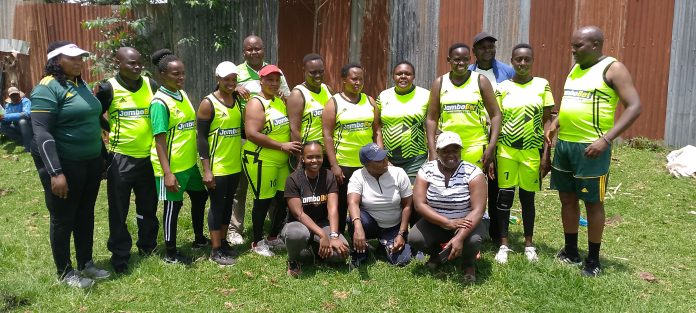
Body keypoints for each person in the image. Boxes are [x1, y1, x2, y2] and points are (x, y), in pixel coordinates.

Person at [546, 26, 641, 277]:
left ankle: (593, 260)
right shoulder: (576, 68)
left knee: (592, 203)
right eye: (573, 45)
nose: (573, 50)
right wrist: (556, 123)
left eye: (578, 46)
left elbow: (634, 107)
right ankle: (570, 250)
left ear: (596, 45)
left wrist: (606, 139)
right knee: (567, 198)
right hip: (565, 145)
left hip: (591, 148)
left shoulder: (613, 68)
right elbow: (570, 100)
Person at [30, 41, 110, 288]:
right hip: (64, 164)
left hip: (90, 162)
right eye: (72, 58)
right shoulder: (47, 88)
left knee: (85, 213)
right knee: (64, 218)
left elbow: (91, 116)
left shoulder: (80, 83)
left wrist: (103, 155)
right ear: (56, 60)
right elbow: (41, 132)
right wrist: (55, 172)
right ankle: (65, 271)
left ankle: (86, 262)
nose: (79, 62)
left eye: (81, 58)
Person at [95, 47, 159, 274]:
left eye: (139, 63)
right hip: (120, 158)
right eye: (131, 63)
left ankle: (148, 246)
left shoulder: (151, 85)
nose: (137, 67)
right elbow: (95, 114)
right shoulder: (108, 88)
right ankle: (120, 254)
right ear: (118, 63)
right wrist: (109, 127)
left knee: (148, 207)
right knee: (119, 210)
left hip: (148, 158)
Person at [226, 35, 292, 246]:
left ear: (264, 50)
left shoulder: (276, 72)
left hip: (273, 134)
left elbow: (287, 97)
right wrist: (233, 88)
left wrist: (282, 96)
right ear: (243, 52)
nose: (254, 52)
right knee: (240, 187)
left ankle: (274, 227)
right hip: (244, 136)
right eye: (249, 49)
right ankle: (235, 228)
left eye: (257, 48)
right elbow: (222, 90)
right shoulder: (236, 72)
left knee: (273, 188)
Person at [492, 44, 554, 264]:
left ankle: (529, 244)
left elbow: (547, 121)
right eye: (518, 59)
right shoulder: (502, 87)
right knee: (504, 198)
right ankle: (504, 244)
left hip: (531, 151)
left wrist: (546, 154)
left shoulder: (542, 85)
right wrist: (490, 153)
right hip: (506, 151)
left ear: (533, 60)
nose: (522, 63)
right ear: (511, 61)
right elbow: (495, 121)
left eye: (527, 59)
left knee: (528, 199)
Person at [149, 49, 209, 265]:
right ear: (162, 75)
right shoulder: (159, 103)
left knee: (200, 197)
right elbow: (159, 141)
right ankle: (170, 252)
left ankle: (199, 238)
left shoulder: (181, 94)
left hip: (189, 164)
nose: (181, 77)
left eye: (182, 73)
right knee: (172, 208)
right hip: (172, 167)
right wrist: (167, 173)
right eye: (175, 74)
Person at [408, 131, 487, 283]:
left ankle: (468, 264)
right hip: (436, 221)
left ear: (461, 151)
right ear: (437, 152)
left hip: (466, 222)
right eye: (445, 151)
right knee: (414, 238)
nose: (451, 154)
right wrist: (447, 222)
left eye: (455, 150)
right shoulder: (426, 170)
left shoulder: (473, 172)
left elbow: (478, 210)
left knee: (473, 240)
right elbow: (419, 204)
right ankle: (438, 256)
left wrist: (459, 237)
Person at [242, 64, 301, 256]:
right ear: (261, 81)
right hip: (260, 158)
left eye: (277, 80)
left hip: (281, 160)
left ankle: (273, 237)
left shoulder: (278, 100)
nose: (274, 84)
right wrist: (282, 146)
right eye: (269, 80)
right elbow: (251, 134)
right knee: (263, 200)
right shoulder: (256, 103)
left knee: (284, 198)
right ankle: (257, 242)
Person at [322, 63, 383, 234]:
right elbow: (327, 135)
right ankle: (339, 236)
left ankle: (364, 236)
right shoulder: (333, 103)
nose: (358, 83)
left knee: (366, 202)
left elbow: (376, 130)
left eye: (361, 79)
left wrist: (380, 156)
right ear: (343, 80)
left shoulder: (369, 101)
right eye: (354, 79)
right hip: (344, 164)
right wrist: (334, 165)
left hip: (367, 164)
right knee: (342, 203)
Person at [196, 61, 244, 265]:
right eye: (226, 79)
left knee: (227, 206)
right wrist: (207, 169)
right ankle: (215, 250)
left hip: (234, 164)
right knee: (217, 206)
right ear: (218, 79)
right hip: (218, 166)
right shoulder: (208, 103)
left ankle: (223, 242)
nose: (231, 83)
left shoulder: (237, 100)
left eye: (234, 79)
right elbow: (201, 138)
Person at [469, 32, 515, 243]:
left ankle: (498, 231)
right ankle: (471, 226)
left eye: (491, 46)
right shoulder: (467, 73)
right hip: (475, 137)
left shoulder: (507, 71)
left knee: (498, 185)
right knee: (472, 182)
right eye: (482, 47)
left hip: (501, 136)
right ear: (474, 52)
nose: (487, 50)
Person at [282, 141, 350, 277]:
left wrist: (334, 235)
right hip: (298, 225)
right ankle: (293, 260)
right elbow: (299, 214)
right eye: (310, 157)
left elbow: (332, 208)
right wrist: (323, 235)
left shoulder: (328, 175)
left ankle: (315, 249)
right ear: (302, 158)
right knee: (296, 235)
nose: (315, 160)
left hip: (322, 223)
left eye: (318, 156)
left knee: (341, 253)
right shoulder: (293, 179)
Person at [347, 143, 413, 266]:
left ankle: (384, 246)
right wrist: (358, 227)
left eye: (385, 157)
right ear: (367, 165)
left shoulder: (399, 173)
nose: (385, 161)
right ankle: (362, 250)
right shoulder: (358, 176)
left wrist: (401, 233)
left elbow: (408, 206)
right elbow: (353, 203)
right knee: (354, 218)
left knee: (402, 261)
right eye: (379, 160)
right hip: (370, 224)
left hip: (394, 226)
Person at [377, 61, 429, 184]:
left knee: (412, 196)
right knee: (392, 197)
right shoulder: (383, 96)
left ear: (414, 76)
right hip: (388, 158)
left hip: (415, 159)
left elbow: (433, 123)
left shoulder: (426, 95)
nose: (403, 76)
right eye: (399, 74)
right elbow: (377, 127)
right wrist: (381, 155)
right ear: (393, 76)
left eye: (408, 74)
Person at [287, 53, 333, 146]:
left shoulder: (328, 89)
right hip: (309, 152)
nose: (317, 76)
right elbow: (294, 130)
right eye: (313, 72)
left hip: (328, 151)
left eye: (321, 71)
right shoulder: (298, 94)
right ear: (304, 71)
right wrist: (300, 156)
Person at [1, 86, 33, 152]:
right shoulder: (8, 105)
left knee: (22, 121)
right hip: (16, 126)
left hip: (29, 127)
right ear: (10, 96)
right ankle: (21, 141)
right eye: (12, 95)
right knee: (2, 126)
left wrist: (6, 117)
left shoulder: (25, 101)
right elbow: (6, 119)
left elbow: (26, 114)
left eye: (16, 94)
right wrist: (2, 119)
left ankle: (29, 146)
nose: (14, 96)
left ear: (19, 94)